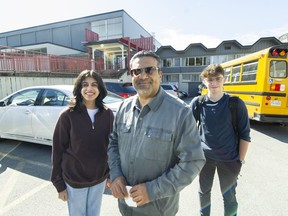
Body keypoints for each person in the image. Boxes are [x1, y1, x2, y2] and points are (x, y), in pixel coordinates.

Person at [108, 50, 206, 216]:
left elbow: (192, 161)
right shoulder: (124, 108)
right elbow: (113, 144)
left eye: (149, 70)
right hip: (125, 206)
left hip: (159, 209)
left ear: (160, 75)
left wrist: (152, 190)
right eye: (136, 71)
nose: (143, 75)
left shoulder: (180, 112)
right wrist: (116, 175)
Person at [189, 64, 251, 216]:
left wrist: (240, 160)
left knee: (229, 196)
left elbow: (245, 134)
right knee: (204, 193)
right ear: (204, 81)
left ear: (224, 80)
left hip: (230, 159)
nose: (214, 83)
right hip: (204, 158)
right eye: (210, 79)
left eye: (218, 79)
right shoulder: (198, 103)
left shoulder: (235, 104)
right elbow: (188, 131)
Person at [51, 70, 114, 216]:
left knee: (94, 214)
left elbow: (111, 147)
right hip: (74, 181)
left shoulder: (107, 114)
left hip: (99, 179)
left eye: (94, 85)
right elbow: (57, 151)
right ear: (79, 88)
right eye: (85, 85)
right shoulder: (68, 115)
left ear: (100, 89)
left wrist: (111, 174)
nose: (89, 89)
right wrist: (59, 184)